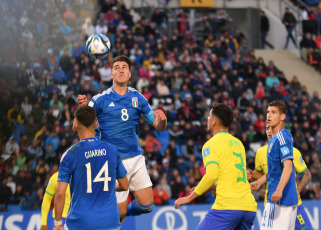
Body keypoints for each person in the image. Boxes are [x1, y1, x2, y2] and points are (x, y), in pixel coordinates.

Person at [77, 55, 167, 218]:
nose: (121, 70)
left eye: (124, 67)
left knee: (147, 206)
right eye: (116, 67)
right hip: (113, 161)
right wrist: (83, 109)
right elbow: (80, 125)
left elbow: (158, 126)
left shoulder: (138, 98)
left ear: (130, 73)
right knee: (120, 212)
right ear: (111, 74)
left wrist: (163, 121)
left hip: (136, 158)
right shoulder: (99, 100)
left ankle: (107, 215)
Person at [174, 103, 257, 230]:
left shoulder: (210, 145)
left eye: (209, 116)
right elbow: (231, 177)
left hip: (228, 207)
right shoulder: (238, 143)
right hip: (248, 207)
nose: (207, 119)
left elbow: (211, 175)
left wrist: (189, 198)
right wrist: (209, 188)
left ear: (214, 121)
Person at [53, 106, 129, 230]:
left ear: (76, 124)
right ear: (96, 123)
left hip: (81, 222)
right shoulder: (111, 150)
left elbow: (60, 193)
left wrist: (57, 223)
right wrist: (104, 185)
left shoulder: (70, 154)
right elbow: (125, 185)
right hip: (110, 221)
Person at [248, 125, 313, 230]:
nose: (269, 132)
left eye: (272, 128)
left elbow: (307, 175)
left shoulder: (293, 152)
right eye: (267, 128)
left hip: (293, 204)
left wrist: (297, 190)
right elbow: (263, 175)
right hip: (272, 204)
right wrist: (253, 176)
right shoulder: (260, 152)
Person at [258, 100, 298, 229]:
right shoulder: (276, 138)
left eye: (274, 112)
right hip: (286, 201)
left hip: (278, 200)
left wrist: (279, 190)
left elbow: (288, 166)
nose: (269, 115)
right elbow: (277, 169)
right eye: (268, 112)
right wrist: (260, 181)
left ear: (282, 117)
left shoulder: (281, 137)